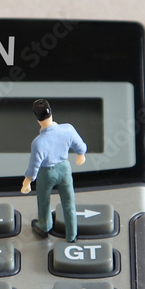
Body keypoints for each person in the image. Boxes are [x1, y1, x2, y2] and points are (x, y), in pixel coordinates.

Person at [21, 99, 87, 242]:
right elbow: (80, 145)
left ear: (36, 117)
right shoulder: (68, 129)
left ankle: (44, 226)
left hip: (47, 172)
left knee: (44, 200)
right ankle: (72, 235)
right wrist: (81, 155)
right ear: (51, 112)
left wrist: (27, 181)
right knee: (69, 203)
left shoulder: (38, 142)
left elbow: (34, 165)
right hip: (65, 169)